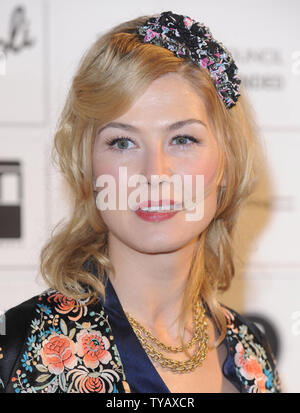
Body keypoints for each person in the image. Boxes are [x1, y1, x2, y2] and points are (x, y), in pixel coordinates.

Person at [0, 10, 281, 393]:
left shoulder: (252, 355)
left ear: (227, 164)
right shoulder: (21, 349)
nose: (154, 174)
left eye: (183, 139)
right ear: (87, 165)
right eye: (122, 142)